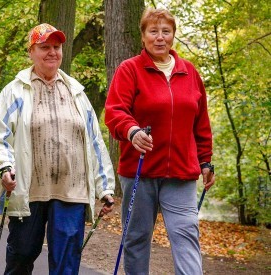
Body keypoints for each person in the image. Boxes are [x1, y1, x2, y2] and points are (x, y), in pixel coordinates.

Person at [0, 23, 115, 275]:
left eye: (56, 47)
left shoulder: (76, 92)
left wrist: (105, 188)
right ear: (31, 51)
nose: (52, 52)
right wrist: (4, 167)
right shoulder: (15, 92)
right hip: (28, 189)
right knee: (21, 254)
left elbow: (95, 144)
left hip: (71, 190)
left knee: (66, 262)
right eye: (44, 47)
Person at [104, 8, 216, 275]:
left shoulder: (189, 72)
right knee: (137, 238)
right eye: (153, 31)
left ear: (173, 36)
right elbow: (115, 111)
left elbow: (201, 122)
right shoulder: (130, 69)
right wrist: (132, 131)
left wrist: (205, 160)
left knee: (186, 235)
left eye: (166, 31)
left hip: (181, 172)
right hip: (140, 171)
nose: (160, 37)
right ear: (143, 36)